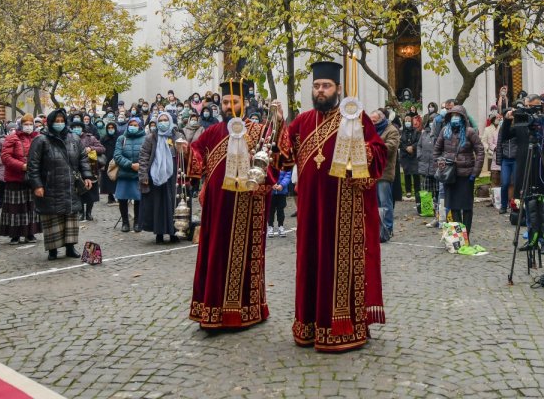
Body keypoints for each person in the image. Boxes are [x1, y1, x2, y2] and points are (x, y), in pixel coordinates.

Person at [276, 61, 386, 351]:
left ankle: (344, 325)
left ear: (338, 89)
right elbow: (283, 158)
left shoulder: (355, 117)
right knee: (311, 263)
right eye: (316, 86)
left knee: (342, 264)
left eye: (326, 86)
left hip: (345, 209)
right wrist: (275, 128)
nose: (320, 90)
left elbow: (379, 151)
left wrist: (362, 151)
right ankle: (310, 326)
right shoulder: (301, 122)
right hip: (310, 212)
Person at [188, 80, 273, 330]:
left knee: (244, 256)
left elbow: (272, 159)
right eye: (225, 102)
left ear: (244, 104)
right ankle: (212, 308)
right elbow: (196, 154)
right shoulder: (213, 132)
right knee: (216, 254)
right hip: (217, 207)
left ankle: (246, 310)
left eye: (234, 102)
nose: (229, 107)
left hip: (247, 205)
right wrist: (185, 153)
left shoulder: (257, 131)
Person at [27, 108, 93, 261]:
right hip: (50, 185)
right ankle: (53, 250)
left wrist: (87, 175)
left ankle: (70, 248)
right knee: (52, 218)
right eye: (56, 121)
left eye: (62, 121)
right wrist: (37, 185)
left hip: (70, 184)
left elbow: (83, 158)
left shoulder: (74, 138)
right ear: (50, 122)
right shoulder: (41, 140)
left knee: (70, 217)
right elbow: (33, 165)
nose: (59, 124)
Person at [433, 104, 483, 235]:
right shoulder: (445, 131)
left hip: (466, 175)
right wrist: (440, 164)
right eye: (453, 115)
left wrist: (475, 172)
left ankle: (466, 234)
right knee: (453, 206)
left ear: (463, 118)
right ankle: (459, 235)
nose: (455, 118)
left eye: (458, 116)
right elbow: (436, 151)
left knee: (466, 206)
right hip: (450, 175)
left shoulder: (470, 132)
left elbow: (480, 151)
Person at [139, 113, 186, 243]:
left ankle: (174, 232)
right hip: (156, 176)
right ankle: (159, 233)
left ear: (170, 121)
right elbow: (143, 157)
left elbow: (185, 155)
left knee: (173, 204)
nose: (163, 122)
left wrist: (182, 149)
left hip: (173, 175)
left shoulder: (177, 136)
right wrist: (143, 175)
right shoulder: (151, 137)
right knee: (158, 205)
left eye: (166, 120)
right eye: (161, 120)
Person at [0, 116, 40, 243]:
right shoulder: (12, 138)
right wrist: (22, 166)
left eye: (30, 124)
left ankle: (30, 233)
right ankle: (14, 234)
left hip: (32, 178)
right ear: (20, 125)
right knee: (15, 209)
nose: (28, 126)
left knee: (31, 207)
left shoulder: (37, 138)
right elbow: (5, 156)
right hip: (15, 178)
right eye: (25, 124)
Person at [114, 118, 146, 232]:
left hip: (139, 174)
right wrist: (130, 165)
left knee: (138, 198)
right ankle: (125, 222)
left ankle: (137, 222)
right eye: (131, 125)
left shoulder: (145, 138)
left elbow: (148, 154)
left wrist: (139, 165)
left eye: (135, 125)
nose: (133, 126)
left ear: (140, 126)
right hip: (124, 174)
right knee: (122, 199)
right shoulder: (121, 138)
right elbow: (117, 156)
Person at [373, 109, 399, 242]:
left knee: (385, 203)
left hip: (384, 172)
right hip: (372, 172)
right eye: (371, 120)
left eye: (375, 120)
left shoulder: (392, 130)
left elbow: (391, 147)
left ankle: (387, 229)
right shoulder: (371, 130)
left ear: (382, 119)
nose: (373, 122)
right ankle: (377, 229)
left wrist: (373, 147)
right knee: (375, 203)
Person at [78, 120, 105, 221]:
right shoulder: (71, 138)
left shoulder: (91, 138)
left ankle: (89, 213)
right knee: (79, 191)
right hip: (77, 169)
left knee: (91, 192)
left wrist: (91, 148)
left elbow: (102, 149)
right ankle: (81, 212)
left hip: (91, 168)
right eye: (74, 127)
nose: (77, 129)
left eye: (78, 127)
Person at [481, 111, 500, 209]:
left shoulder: (502, 128)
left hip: (503, 155)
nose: (498, 120)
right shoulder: (487, 129)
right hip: (492, 155)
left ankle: (502, 199)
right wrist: (489, 148)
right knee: (494, 178)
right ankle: (493, 199)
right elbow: (484, 141)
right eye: (496, 118)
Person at [398, 112, 419, 201]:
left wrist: (412, 147)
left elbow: (419, 141)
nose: (407, 121)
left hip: (414, 155)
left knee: (415, 173)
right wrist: (406, 147)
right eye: (406, 120)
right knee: (407, 173)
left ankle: (418, 190)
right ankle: (408, 191)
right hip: (405, 155)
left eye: (409, 120)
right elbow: (399, 142)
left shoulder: (416, 131)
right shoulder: (400, 131)